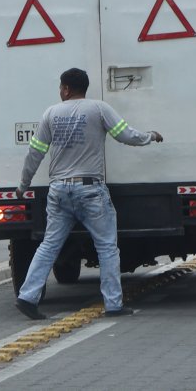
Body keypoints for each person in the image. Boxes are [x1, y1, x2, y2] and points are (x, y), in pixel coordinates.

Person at [13, 68, 162, 320]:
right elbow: (126, 135)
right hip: (90, 190)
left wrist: (23, 185)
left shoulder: (51, 113)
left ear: (67, 89)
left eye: (61, 87)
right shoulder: (98, 109)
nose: (59, 91)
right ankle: (113, 305)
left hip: (59, 190)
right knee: (106, 247)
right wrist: (151, 136)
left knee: (49, 245)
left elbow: (35, 153)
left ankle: (28, 297)